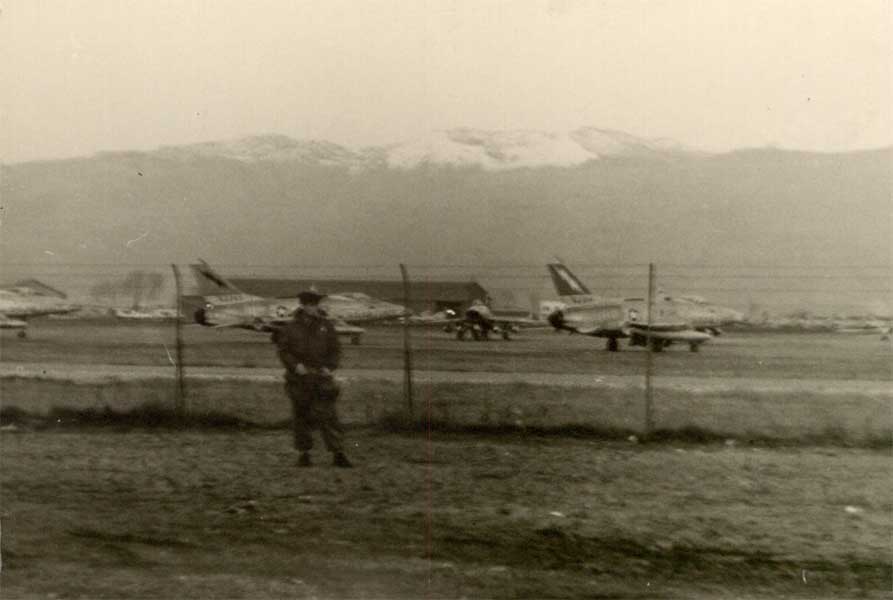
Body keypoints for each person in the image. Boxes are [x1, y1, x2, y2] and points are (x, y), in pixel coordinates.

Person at [272, 289, 352, 468]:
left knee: (329, 416)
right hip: (299, 379)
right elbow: (283, 351)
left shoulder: (326, 326)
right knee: (301, 417)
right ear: (301, 305)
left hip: (321, 378)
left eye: (315, 303)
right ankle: (304, 454)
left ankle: (338, 454)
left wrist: (329, 367)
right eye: (308, 304)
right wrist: (295, 366)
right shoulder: (290, 328)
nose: (312, 307)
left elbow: (335, 350)